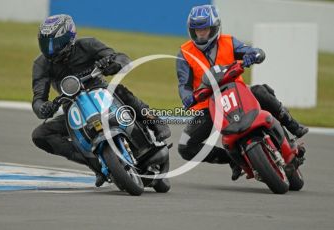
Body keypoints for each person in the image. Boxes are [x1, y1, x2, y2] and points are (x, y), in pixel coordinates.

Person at [31, 14, 171, 187]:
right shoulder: (41, 64)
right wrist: (43, 108)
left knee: (120, 90)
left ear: (69, 38)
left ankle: (154, 121)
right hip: (73, 107)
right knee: (40, 135)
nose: (50, 50)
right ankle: (95, 164)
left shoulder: (88, 44)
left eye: (55, 44)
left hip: (100, 92)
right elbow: (38, 99)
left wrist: (111, 63)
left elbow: (121, 58)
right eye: (46, 44)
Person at [176, 5, 308, 180]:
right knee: (185, 147)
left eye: (205, 29)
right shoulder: (184, 53)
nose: (201, 34)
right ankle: (233, 160)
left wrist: (254, 54)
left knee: (261, 91)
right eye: (197, 30)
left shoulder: (228, 41)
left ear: (214, 27)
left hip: (238, 93)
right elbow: (183, 84)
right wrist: (186, 97)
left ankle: (292, 125)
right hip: (209, 104)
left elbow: (253, 51)